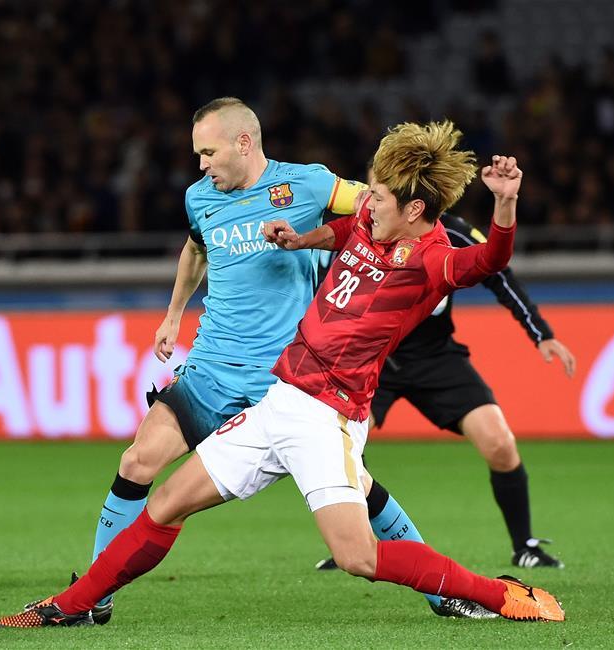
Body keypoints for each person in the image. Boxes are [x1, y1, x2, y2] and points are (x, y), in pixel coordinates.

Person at [0, 121, 565, 627]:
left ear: (415, 209)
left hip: (328, 416)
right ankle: (68, 608)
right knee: (165, 501)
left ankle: (500, 594)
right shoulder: (369, 222)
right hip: (279, 403)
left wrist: (505, 206)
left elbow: (489, 261)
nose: (368, 201)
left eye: (382, 195)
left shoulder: (432, 259)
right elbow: (343, 234)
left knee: (357, 557)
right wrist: (301, 238)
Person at [85, 97, 454, 624]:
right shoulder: (199, 198)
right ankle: (96, 591)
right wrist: (173, 314)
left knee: (361, 487)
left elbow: (384, 204)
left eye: (208, 152)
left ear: (243, 143)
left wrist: (427, 249)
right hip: (211, 369)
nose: (201, 165)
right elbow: (195, 250)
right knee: (136, 462)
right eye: (197, 155)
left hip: (287, 381)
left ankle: (444, 592)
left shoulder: (307, 185)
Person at [316, 198, 575, 573]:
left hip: (436, 358)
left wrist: (541, 334)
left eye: (381, 189)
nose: (371, 199)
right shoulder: (357, 230)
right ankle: (357, 543)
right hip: (371, 359)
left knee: (500, 443)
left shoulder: (449, 231)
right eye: (371, 187)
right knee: (343, 448)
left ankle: (525, 547)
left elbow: (498, 274)